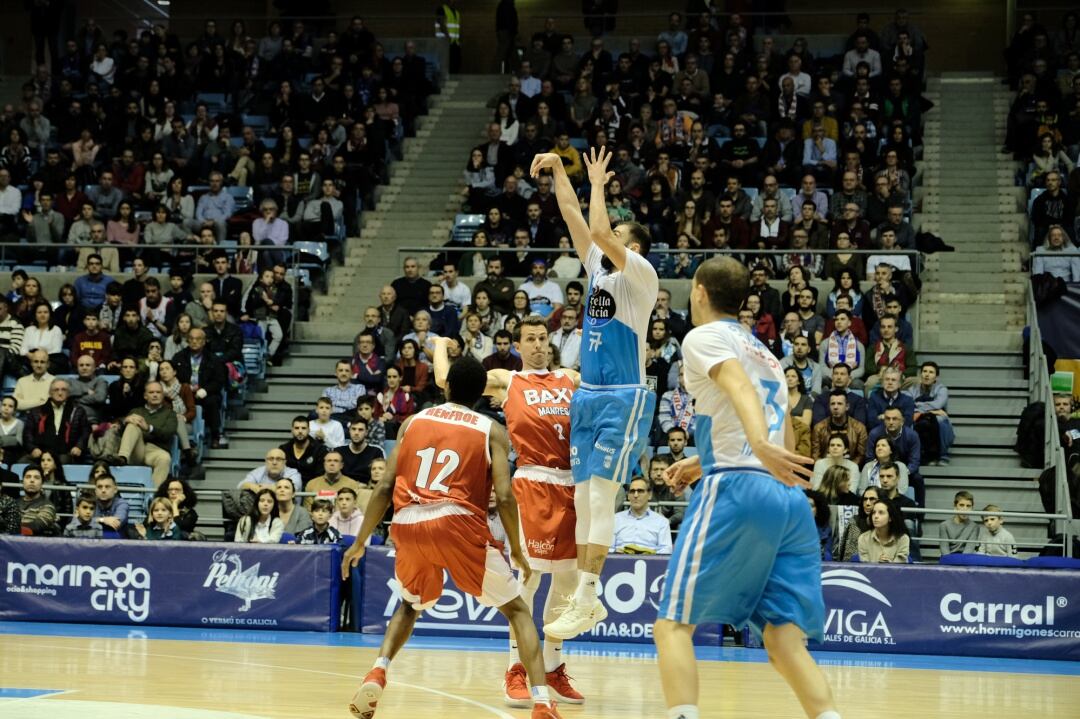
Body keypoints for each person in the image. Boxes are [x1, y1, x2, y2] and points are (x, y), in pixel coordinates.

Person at [653, 256, 838, 719]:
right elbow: (784, 436)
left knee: (673, 625)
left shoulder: (703, 336)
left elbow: (737, 388)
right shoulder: (765, 352)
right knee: (782, 639)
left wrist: (752, 446)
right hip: (786, 498)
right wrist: (710, 457)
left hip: (739, 488)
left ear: (699, 291)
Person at [341, 356, 562, 719]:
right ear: (481, 394)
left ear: (445, 387)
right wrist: (518, 550)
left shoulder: (412, 421)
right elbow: (505, 497)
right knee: (518, 611)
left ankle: (378, 670)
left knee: (409, 606)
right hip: (457, 521)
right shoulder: (491, 430)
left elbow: (384, 486)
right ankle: (541, 702)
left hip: (409, 520)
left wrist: (361, 541)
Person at [529, 146, 659, 640]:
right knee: (584, 501)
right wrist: (563, 171)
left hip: (624, 395)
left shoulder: (639, 275)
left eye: (621, 238)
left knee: (602, 500)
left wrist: (600, 184)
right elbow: (573, 217)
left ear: (635, 247)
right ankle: (583, 598)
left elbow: (601, 230)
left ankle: (588, 597)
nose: (607, 241)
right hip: (588, 392)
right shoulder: (600, 270)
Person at [433, 317, 584, 706]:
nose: (538, 345)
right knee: (528, 579)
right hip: (533, 481)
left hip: (572, 482)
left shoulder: (570, 377)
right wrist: (438, 345)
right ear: (518, 346)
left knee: (567, 581)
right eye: (530, 339)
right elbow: (445, 382)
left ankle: (551, 665)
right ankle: (517, 669)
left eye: (542, 338)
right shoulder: (508, 380)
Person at [112, 381, 177, 487]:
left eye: (158, 392)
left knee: (165, 458)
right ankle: (122, 458)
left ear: (163, 395)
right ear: (145, 396)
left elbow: (168, 433)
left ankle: (153, 496)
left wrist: (148, 428)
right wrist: (124, 421)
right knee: (132, 424)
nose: (155, 395)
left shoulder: (170, 414)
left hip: (156, 450)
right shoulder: (136, 411)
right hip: (136, 449)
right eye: (151, 392)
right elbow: (123, 433)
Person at [611, 476, 673, 554]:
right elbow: (609, 548)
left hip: (651, 563)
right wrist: (616, 552)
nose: (636, 495)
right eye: (632, 491)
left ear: (649, 495)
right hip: (619, 562)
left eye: (640, 491)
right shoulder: (615, 519)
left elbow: (666, 550)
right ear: (628, 495)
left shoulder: (662, 522)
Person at [857, 498, 909, 563]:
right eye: (873, 512)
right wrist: (879, 565)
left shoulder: (903, 539)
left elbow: (900, 568)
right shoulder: (863, 539)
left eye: (881, 513)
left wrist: (889, 565)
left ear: (890, 518)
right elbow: (865, 568)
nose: (875, 516)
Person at [19, 464, 58, 536]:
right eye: (28, 477)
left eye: (36, 478)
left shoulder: (48, 506)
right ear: (22, 482)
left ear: (42, 484)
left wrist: (11, 526)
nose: (32, 480)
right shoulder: (14, 503)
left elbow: (37, 526)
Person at [938, 490, 977, 556]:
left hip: (965, 560)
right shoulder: (944, 525)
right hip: (948, 560)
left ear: (972, 508)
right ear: (955, 506)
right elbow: (944, 551)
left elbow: (969, 551)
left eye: (968, 506)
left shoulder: (974, 526)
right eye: (961, 505)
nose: (965, 509)